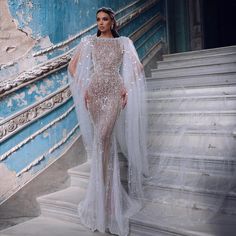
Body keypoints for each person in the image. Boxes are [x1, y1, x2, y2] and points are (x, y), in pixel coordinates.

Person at [68, 7, 149, 236]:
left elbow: (138, 68)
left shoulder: (123, 42)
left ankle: (106, 199)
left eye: (105, 19)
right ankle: (104, 200)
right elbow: (72, 67)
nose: (101, 23)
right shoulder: (89, 43)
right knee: (102, 143)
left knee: (104, 138)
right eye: (98, 20)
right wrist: (84, 87)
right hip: (94, 93)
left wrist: (125, 87)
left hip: (113, 92)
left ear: (112, 21)